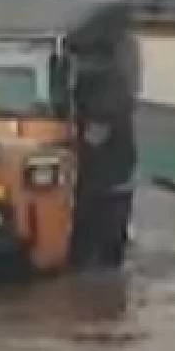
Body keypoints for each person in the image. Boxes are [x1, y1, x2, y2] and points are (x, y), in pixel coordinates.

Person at [69, 68, 137, 270]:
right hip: (116, 183)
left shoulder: (99, 101)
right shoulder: (117, 92)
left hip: (102, 187)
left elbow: (92, 141)